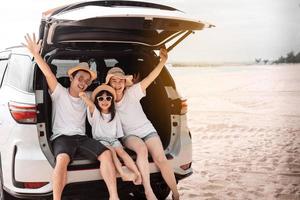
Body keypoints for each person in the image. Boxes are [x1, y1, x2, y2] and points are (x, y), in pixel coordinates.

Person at [23, 33, 119, 200]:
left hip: (81, 138)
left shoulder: (87, 96)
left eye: (87, 80)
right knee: (61, 161)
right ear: (72, 78)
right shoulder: (59, 92)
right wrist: (36, 54)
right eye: (80, 78)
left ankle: (113, 196)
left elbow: (108, 95)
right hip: (62, 138)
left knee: (106, 155)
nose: (83, 82)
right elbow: (48, 74)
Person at [106, 48, 180, 200]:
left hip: (147, 130)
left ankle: (176, 193)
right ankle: (148, 191)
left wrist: (162, 62)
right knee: (142, 150)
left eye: (121, 81)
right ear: (109, 83)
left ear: (125, 83)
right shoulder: (106, 100)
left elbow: (151, 77)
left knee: (161, 159)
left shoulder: (133, 92)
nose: (118, 84)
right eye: (114, 81)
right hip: (129, 135)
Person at [79, 84, 142, 184]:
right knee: (112, 151)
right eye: (101, 99)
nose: (105, 101)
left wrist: (121, 143)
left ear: (112, 101)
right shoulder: (95, 112)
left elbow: (119, 132)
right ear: (97, 101)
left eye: (108, 98)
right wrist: (83, 96)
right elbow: (90, 104)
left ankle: (137, 173)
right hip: (101, 140)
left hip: (114, 140)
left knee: (123, 154)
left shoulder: (115, 114)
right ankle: (123, 173)